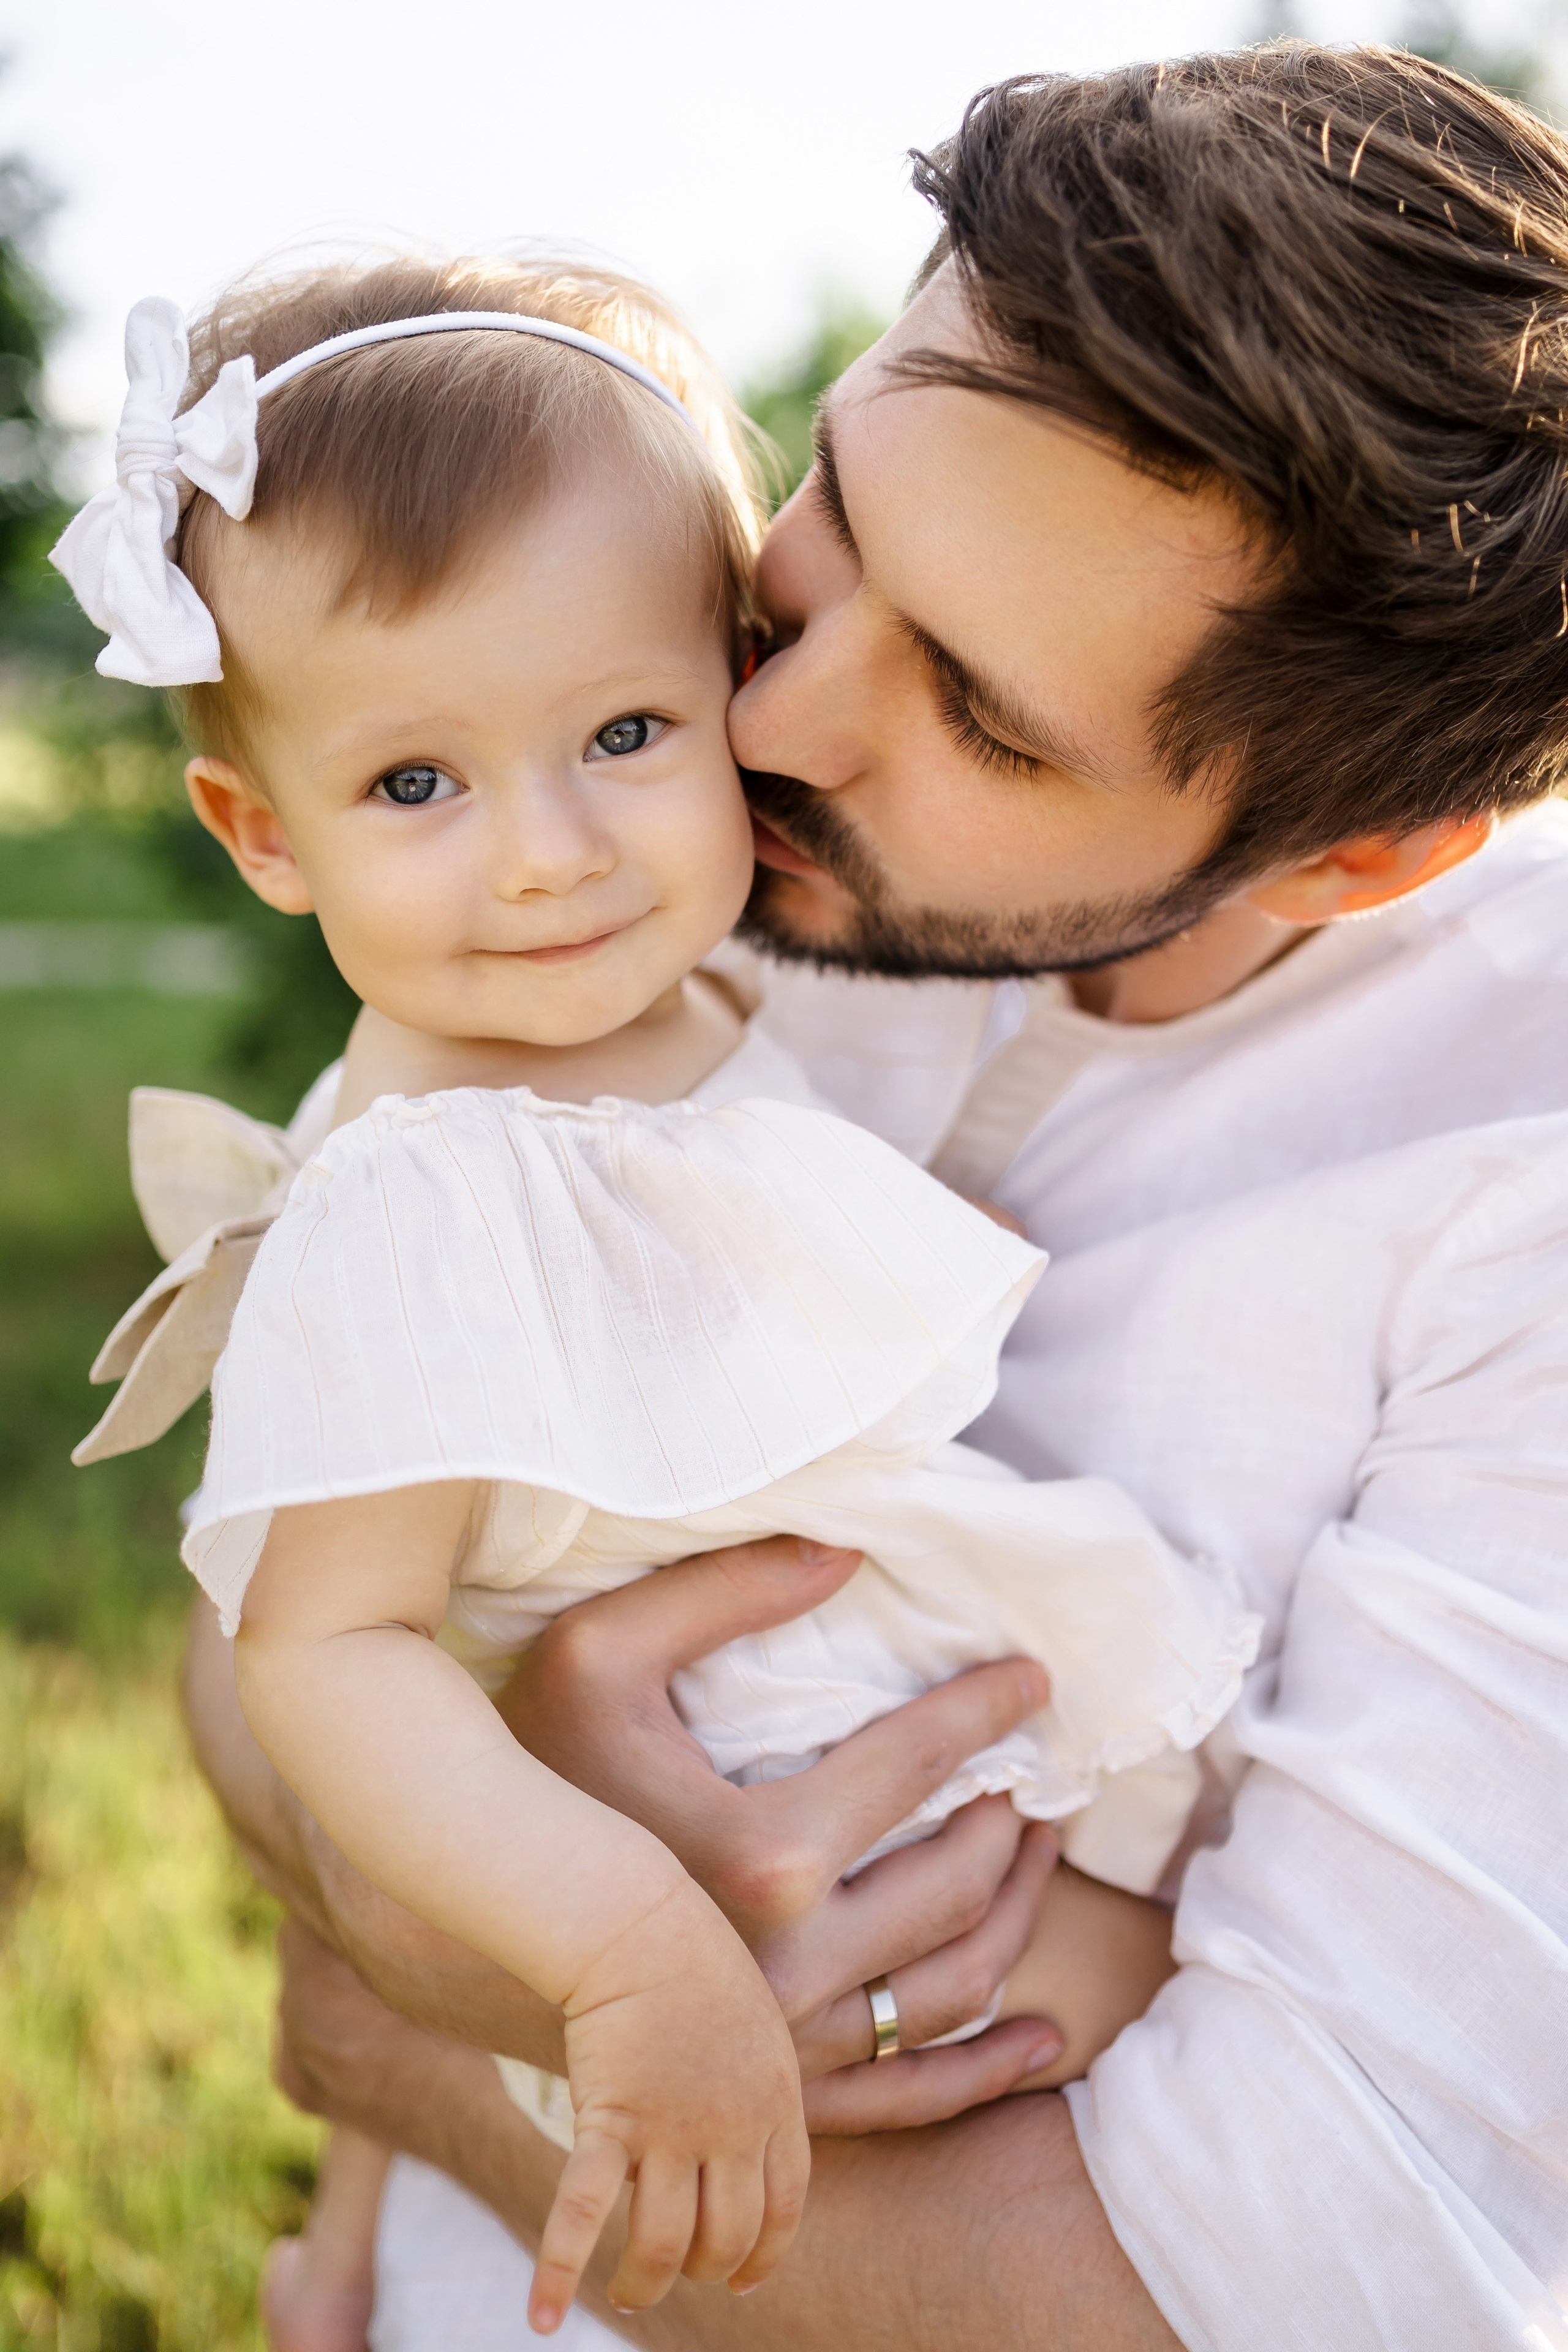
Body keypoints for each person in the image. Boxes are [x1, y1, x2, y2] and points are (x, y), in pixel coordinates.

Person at [182, 42, 1568, 2352]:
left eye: (986, 716)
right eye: (836, 503)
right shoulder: (600, 814)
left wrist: (402, 2040)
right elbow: (296, 1552)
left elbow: (1310, 2284)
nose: (771, 713)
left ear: (1360, 857)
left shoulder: (1515, 1199)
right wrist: (457, 1879)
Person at [61, 256, 1257, 2348]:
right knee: (1152, 2092)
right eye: (415, 785)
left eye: (623, 731)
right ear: (264, 835)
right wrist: (630, 1959)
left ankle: (352, 2253)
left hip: (832, 1741)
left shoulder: (690, 1008)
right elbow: (336, 1650)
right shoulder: (424, 1195)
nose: (548, 858)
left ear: (733, 683)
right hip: (686, 1856)